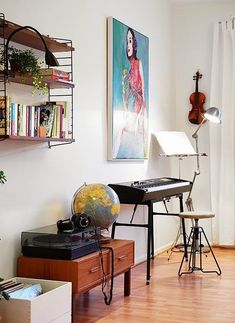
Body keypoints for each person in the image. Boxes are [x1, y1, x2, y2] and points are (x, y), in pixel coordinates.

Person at [113, 27, 148, 159]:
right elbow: (126, 97)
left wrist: (141, 113)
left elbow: (142, 91)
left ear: (134, 45)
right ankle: (114, 156)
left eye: (130, 41)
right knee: (121, 130)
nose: (128, 45)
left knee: (144, 134)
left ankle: (144, 155)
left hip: (140, 108)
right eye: (127, 42)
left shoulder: (138, 63)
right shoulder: (127, 69)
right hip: (132, 109)